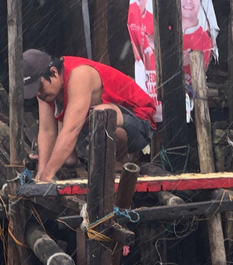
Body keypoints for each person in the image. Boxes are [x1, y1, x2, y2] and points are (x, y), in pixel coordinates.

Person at [22, 49, 158, 183]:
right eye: (34, 90)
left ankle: (120, 160)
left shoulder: (79, 75)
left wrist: (49, 174)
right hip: (96, 126)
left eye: (39, 87)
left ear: (54, 72)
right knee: (72, 113)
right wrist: (41, 174)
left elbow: (71, 130)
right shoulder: (45, 90)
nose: (38, 94)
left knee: (101, 113)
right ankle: (69, 156)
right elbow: (47, 131)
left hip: (140, 126)